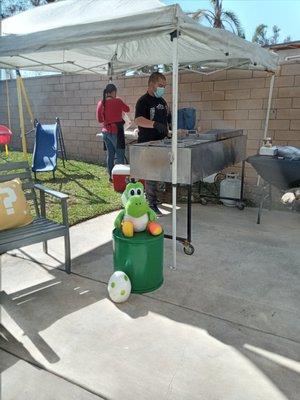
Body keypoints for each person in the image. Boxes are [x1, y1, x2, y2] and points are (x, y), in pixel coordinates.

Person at [134, 72, 171, 216]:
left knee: (159, 172)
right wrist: (154, 124)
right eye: (160, 86)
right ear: (151, 84)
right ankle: (151, 204)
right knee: (151, 174)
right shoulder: (143, 101)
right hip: (148, 143)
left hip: (161, 143)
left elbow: (167, 120)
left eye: (164, 86)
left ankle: (154, 199)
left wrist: (170, 131)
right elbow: (138, 120)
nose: (163, 88)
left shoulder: (162, 101)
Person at [96, 83, 130, 181]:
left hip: (105, 132)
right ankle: (119, 178)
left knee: (110, 155)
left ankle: (111, 177)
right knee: (119, 155)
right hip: (116, 131)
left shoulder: (101, 103)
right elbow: (127, 109)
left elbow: (100, 120)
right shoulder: (118, 101)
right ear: (114, 92)